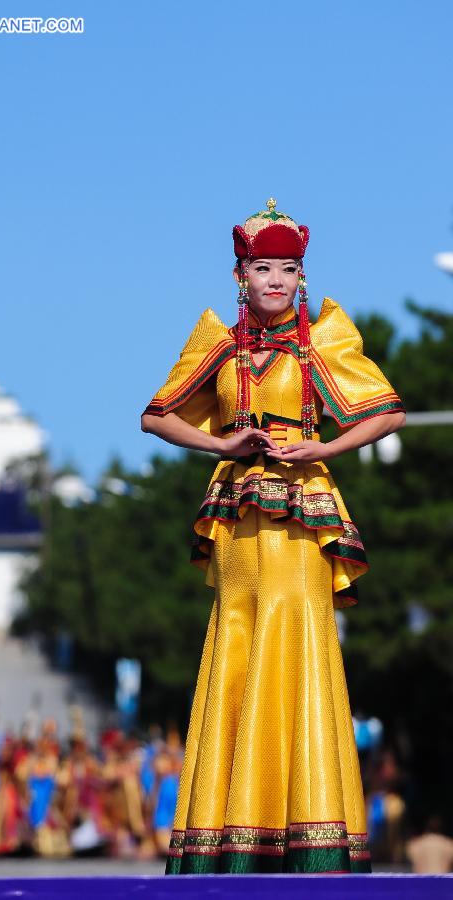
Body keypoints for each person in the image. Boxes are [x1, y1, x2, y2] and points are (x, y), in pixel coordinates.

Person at [141, 198, 406, 875]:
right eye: (264, 268)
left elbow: (387, 414)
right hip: (237, 516)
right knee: (238, 630)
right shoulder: (220, 348)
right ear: (241, 276)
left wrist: (321, 449)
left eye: (288, 269)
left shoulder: (322, 343)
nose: (277, 282)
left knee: (296, 631)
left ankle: (310, 836)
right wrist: (219, 441)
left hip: (300, 511)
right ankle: (227, 840)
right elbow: (155, 416)